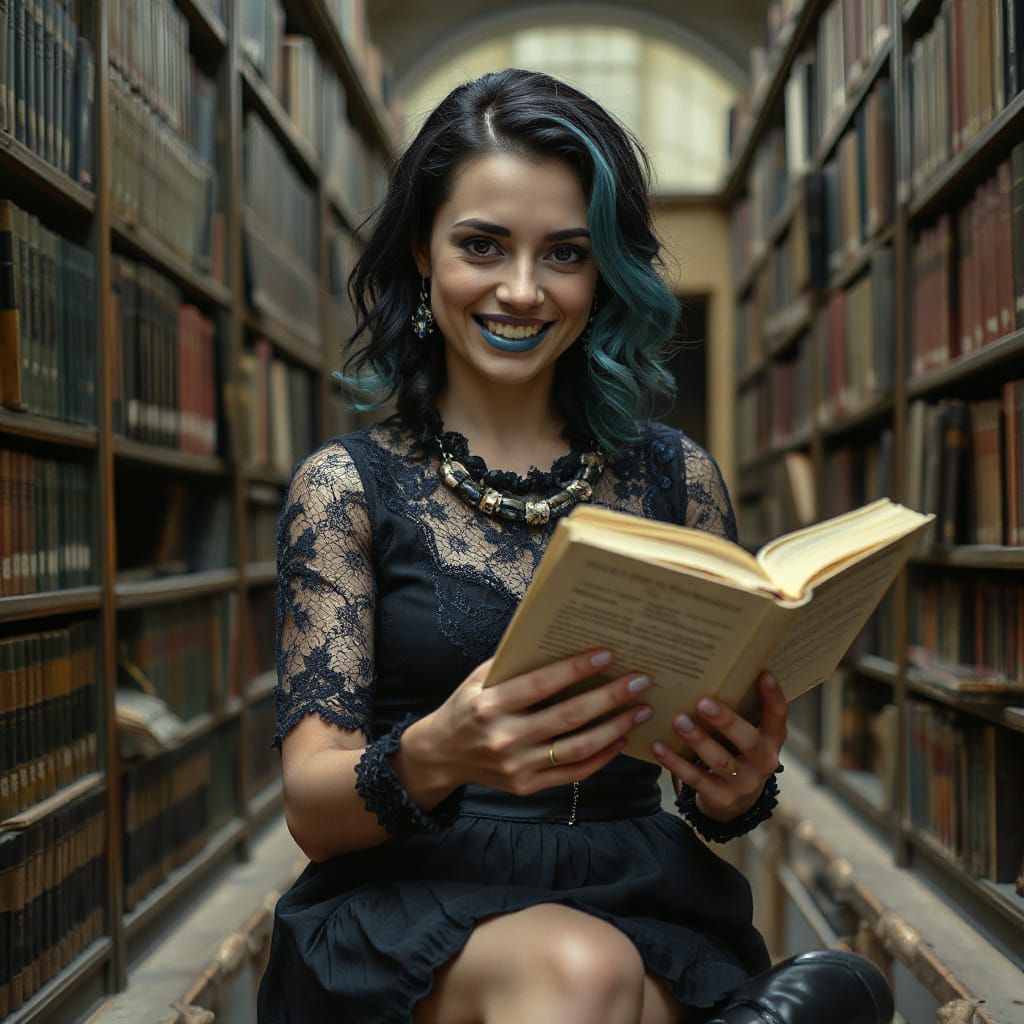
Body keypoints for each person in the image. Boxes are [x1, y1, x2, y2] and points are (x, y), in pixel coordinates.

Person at [256, 69, 894, 1024]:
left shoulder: (680, 480)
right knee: (589, 973)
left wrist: (737, 783)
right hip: (409, 905)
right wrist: (442, 750)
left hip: (643, 889)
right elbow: (311, 807)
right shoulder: (346, 488)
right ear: (423, 255)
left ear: (604, 276)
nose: (522, 289)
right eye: (482, 245)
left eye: (564, 253)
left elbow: (709, 806)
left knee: (620, 977)